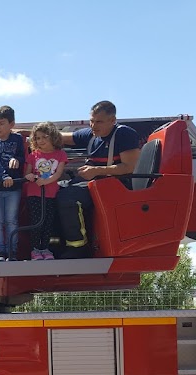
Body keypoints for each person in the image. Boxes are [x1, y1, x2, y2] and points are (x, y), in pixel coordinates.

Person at [57, 100, 142, 258]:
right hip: (93, 182)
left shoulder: (124, 134)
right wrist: (28, 134)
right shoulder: (91, 134)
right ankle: (56, 243)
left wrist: (96, 170)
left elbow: (129, 168)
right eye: (91, 121)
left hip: (114, 185)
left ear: (112, 120)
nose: (93, 125)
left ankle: (79, 247)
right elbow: (61, 137)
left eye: (99, 122)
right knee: (54, 190)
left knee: (68, 198)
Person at [0, 105, 26, 261]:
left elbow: (22, 157)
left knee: (11, 220)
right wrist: (3, 177)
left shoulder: (17, 139)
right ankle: (0, 253)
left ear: (12, 124)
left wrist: (17, 160)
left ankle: (12, 252)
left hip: (14, 187)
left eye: (2, 123)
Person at [24, 122, 68, 260]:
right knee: (37, 221)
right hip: (34, 193)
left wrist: (45, 181)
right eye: (37, 138)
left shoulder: (60, 154)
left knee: (48, 221)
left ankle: (45, 248)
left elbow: (58, 174)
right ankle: (35, 250)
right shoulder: (33, 155)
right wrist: (30, 176)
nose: (40, 141)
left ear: (53, 137)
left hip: (51, 193)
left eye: (44, 137)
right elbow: (27, 173)